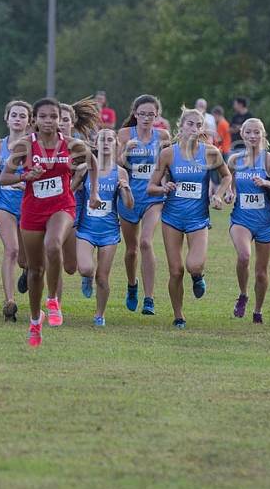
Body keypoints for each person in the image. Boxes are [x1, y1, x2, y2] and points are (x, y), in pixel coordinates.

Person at [0, 97, 96, 347]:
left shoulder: (72, 145)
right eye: (44, 117)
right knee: (34, 271)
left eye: (55, 117)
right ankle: (34, 319)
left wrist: (94, 193)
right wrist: (25, 175)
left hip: (62, 206)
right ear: (35, 120)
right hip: (32, 211)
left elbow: (93, 161)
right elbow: (4, 178)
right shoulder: (24, 146)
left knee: (53, 245)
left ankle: (53, 301)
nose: (50, 121)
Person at [149, 107, 232, 329]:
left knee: (193, 265)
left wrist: (218, 195)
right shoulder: (168, 154)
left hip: (198, 219)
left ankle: (198, 276)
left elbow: (226, 177)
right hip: (172, 218)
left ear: (202, 129)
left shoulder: (210, 152)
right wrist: (164, 186)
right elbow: (151, 187)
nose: (194, 128)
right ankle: (179, 315)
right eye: (190, 124)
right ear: (181, 126)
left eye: (198, 125)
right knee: (175, 270)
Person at [225, 117, 270, 324]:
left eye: (257, 132)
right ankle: (243, 295)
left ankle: (258, 309)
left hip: (266, 223)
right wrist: (229, 193)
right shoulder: (234, 160)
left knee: (261, 272)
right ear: (242, 135)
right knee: (244, 256)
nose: (253, 136)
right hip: (241, 219)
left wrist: (266, 182)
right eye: (249, 132)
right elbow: (230, 184)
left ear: (262, 135)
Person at [75, 126, 135, 327]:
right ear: (96, 144)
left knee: (102, 277)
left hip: (109, 231)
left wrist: (125, 189)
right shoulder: (85, 169)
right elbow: (69, 190)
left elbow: (128, 204)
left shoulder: (121, 172)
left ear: (117, 145)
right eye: (103, 139)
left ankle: (99, 314)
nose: (106, 143)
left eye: (111, 140)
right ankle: (86, 278)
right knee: (85, 268)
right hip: (86, 228)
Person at [118, 94, 167, 316]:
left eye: (151, 114)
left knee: (146, 242)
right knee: (131, 250)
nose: (147, 118)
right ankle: (132, 285)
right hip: (129, 197)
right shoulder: (125, 134)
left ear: (157, 115)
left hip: (152, 197)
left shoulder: (163, 136)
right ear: (135, 114)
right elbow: (115, 164)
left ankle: (149, 299)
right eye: (142, 113)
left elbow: (168, 164)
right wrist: (127, 149)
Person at [0, 99, 33, 322]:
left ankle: (26, 272)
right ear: (6, 118)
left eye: (22, 116)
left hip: (28, 204)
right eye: (14, 115)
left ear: (28, 121)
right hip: (4, 204)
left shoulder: (33, 145)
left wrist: (23, 182)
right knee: (11, 251)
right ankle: (9, 302)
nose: (17, 119)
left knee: (26, 260)